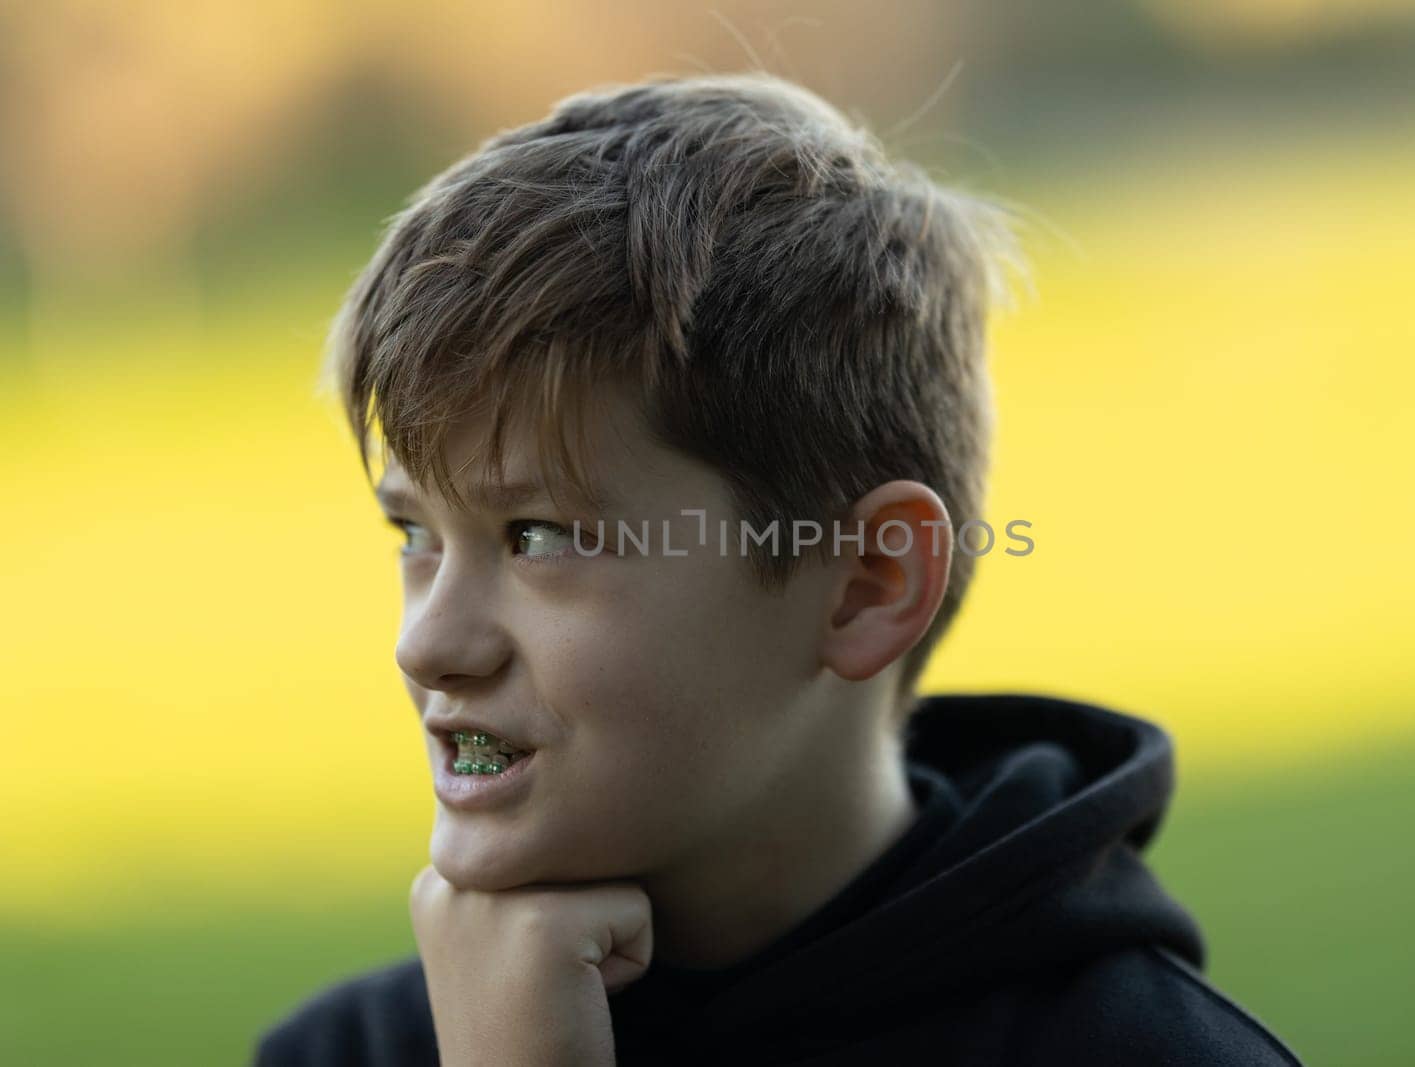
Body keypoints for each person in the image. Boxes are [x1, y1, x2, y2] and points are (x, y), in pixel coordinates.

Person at [254, 70, 1302, 1066]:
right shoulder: (351, 1050)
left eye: (540, 536)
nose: (427, 641)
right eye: (413, 535)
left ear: (864, 584)